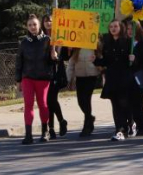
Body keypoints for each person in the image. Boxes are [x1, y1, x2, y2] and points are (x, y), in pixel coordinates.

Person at [15, 14, 57, 145]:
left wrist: (54, 56)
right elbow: (19, 62)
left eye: (35, 24)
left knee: (42, 104)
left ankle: (45, 131)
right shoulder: (24, 43)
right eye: (30, 25)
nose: (32, 27)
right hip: (27, 77)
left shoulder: (48, 40)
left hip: (43, 77)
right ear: (27, 27)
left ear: (39, 25)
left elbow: (53, 61)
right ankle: (28, 135)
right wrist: (18, 80)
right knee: (28, 104)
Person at [96, 20, 133, 142]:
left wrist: (133, 59)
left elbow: (132, 63)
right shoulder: (107, 43)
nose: (113, 28)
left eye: (115, 26)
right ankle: (119, 130)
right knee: (115, 105)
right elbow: (106, 61)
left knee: (125, 104)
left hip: (124, 78)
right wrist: (95, 60)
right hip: (112, 78)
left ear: (120, 27)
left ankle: (130, 123)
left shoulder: (128, 42)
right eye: (111, 26)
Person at [41, 15, 68, 139]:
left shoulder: (59, 36)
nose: (48, 23)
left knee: (51, 99)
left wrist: (58, 54)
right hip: (44, 72)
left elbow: (64, 55)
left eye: (51, 21)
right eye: (46, 21)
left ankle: (61, 121)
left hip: (56, 71)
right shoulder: (41, 37)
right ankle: (51, 128)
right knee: (47, 101)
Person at [66, 47, 100, 137]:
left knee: (86, 99)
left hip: (92, 76)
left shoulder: (95, 45)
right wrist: (68, 79)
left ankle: (87, 126)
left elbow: (101, 59)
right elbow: (71, 63)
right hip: (80, 76)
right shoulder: (76, 47)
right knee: (80, 101)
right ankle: (90, 118)